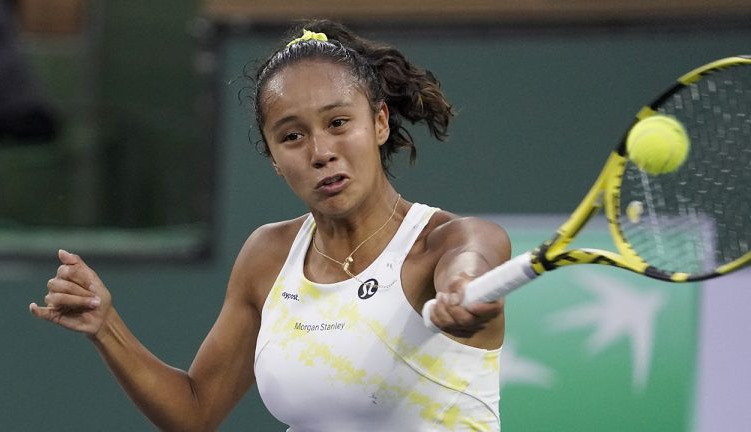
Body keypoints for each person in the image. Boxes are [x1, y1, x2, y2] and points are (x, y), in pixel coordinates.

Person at [29, 19, 510, 431]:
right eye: (292, 136)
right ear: (275, 158)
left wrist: (463, 292)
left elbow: (469, 263)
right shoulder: (268, 255)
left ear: (380, 121)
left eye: (339, 123)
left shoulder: (452, 241)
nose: (320, 152)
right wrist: (105, 326)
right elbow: (195, 412)